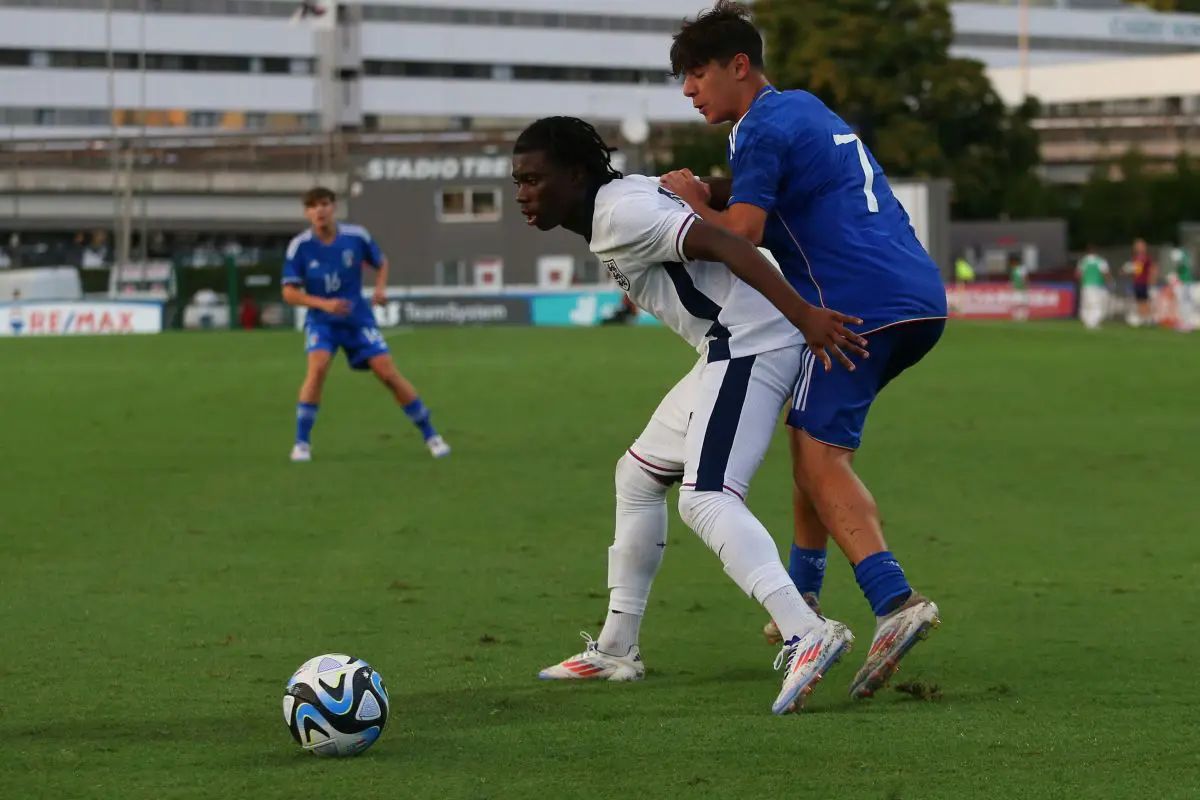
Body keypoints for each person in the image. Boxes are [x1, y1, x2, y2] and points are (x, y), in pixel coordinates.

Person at [513, 116, 870, 714]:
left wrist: (806, 316)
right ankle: (618, 647)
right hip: (726, 346)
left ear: (575, 175)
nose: (522, 192)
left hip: (754, 339)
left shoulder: (621, 212)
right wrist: (714, 187)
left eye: (533, 179)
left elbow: (728, 243)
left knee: (706, 498)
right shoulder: (621, 198)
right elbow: (719, 201)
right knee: (637, 475)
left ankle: (806, 631)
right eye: (517, 180)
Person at [660, 1, 943, 699]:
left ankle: (895, 601)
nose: (690, 91)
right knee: (809, 441)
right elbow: (788, 195)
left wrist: (692, 201)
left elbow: (743, 232)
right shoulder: (804, 109)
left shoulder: (757, 130)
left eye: (697, 75)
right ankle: (807, 593)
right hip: (917, 294)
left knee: (821, 458)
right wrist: (718, 193)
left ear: (739, 66)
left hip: (857, 306)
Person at [281, 186, 449, 462]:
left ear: (333, 207)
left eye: (324, 204)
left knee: (387, 374)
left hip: (357, 320)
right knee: (318, 368)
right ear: (307, 212)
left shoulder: (356, 237)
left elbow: (381, 262)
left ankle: (432, 436)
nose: (319, 211)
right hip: (322, 322)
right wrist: (324, 305)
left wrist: (380, 290)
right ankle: (301, 443)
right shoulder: (300, 246)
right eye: (313, 206)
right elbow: (288, 292)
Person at [1076, 245, 1111, 330]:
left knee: (1086, 304)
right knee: (1097, 305)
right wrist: (1109, 281)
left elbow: (1078, 274)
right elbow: (1105, 273)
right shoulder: (1100, 261)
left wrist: (1081, 282)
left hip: (1085, 285)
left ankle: (1087, 321)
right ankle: (1093, 323)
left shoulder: (1083, 261)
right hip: (1097, 286)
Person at [1129, 238, 1156, 327]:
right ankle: (1142, 318)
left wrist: (1151, 279)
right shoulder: (1135, 258)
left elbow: (1152, 269)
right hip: (1137, 282)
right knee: (1139, 301)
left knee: (1145, 301)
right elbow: (1134, 271)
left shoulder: (1146, 258)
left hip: (1144, 282)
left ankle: (1148, 319)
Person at [1168, 247, 1194, 333]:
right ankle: (1185, 323)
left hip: (1185, 283)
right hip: (1185, 283)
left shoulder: (1182, 260)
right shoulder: (1184, 259)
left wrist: (1175, 279)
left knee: (1184, 303)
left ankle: (1186, 324)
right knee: (1184, 303)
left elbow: (1182, 270)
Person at [1009, 253, 1030, 322]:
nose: (1012, 263)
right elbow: (1014, 279)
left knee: (1023, 303)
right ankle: (1017, 316)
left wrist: (1025, 285)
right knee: (1017, 303)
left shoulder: (1021, 268)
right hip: (1016, 289)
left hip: (1022, 289)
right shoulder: (1014, 269)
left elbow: (1025, 278)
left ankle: (1024, 316)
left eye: (1013, 261)